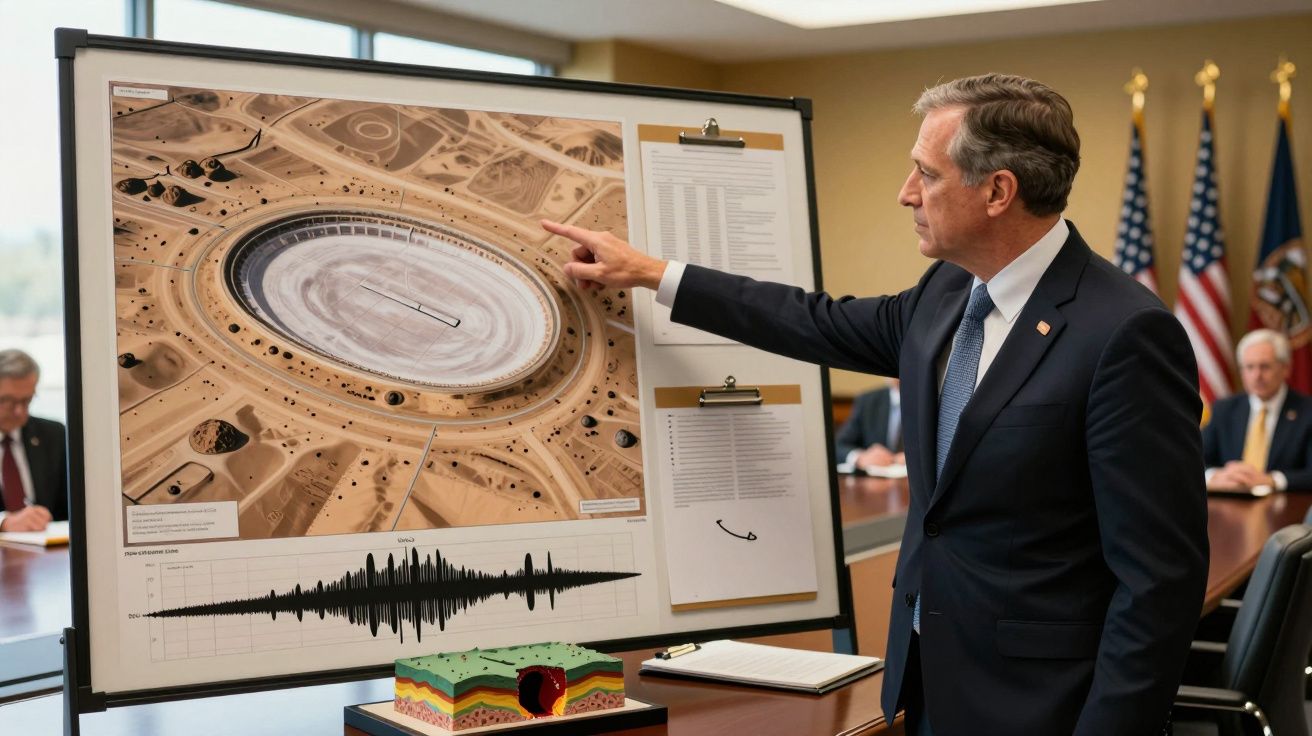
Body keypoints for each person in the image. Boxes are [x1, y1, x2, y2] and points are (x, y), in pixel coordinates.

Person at [541, 74, 1208, 734]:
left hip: (1042, 704)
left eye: (927, 173)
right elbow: (811, 320)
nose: (905, 193)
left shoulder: (1123, 333)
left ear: (998, 191)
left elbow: (1159, 582)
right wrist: (652, 273)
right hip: (930, 681)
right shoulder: (946, 293)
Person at [1203, 329, 1312, 493]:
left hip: (1285, 509)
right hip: (1229, 504)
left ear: (1286, 369)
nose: (1257, 375)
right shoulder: (1224, 409)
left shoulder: (1307, 411)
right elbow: (1196, 460)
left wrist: (1271, 480)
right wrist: (1216, 476)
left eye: (1265, 366)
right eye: (1249, 367)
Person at [0, 349, 67, 532]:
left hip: (48, 552)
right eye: (8, 401)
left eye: (27, 401)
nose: (19, 412)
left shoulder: (53, 435)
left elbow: (70, 505)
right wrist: (4, 523)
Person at [835, 379, 904, 467]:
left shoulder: (926, 399)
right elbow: (838, 446)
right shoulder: (868, 401)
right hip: (876, 476)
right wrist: (860, 457)